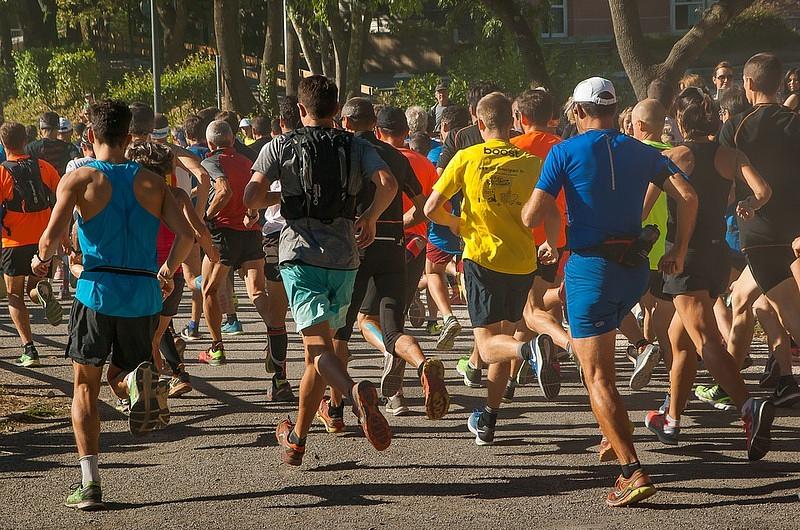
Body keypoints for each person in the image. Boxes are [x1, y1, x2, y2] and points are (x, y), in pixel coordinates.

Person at [524, 77, 700, 507]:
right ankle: (612, 434)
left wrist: (547, 214)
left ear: (580, 111)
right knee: (601, 367)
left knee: (596, 376)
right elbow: (689, 197)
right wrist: (678, 247)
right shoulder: (643, 150)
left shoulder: (563, 152)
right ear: (615, 110)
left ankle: (631, 471)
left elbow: (531, 214)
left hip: (591, 270)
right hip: (636, 271)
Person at [33, 100, 194, 510]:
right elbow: (187, 236)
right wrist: (169, 269)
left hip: (96, 291)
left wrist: (41, 262)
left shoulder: (79, 178)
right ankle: (134, 384)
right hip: (141, 293)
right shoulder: (153, 182)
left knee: (85, 384)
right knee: (124, 372)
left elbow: (51, 239)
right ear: (128, 137)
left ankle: (89, 482)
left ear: (90, 134)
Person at [244, 75, 397, 466]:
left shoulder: (280, 144)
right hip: (346, 257)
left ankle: (354, 395)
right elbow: (388, 183)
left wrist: (275, 198)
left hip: (299, 255)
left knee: (317, 350)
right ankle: (297, 439)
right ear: (336, 112)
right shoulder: (356, 145)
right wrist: (371, 216)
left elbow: (252, 194)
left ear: (300, 109)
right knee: (318, 352)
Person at [644, 88, 775, 455]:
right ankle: (672, 419)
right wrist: (746, 205)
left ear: (681, 122)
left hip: (684, 259)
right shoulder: (732, 156)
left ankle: (749, 408)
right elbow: (763, 191)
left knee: (704, 340)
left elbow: (642, 208)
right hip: (718, 258)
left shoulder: (673, 157)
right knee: (680, 341)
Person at [426, 92, 561, 447]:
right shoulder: (531, 162)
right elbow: (551, 211)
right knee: (504, 335)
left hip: (482, 259)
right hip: (521, 261)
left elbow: (430, 208)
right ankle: (488, 417)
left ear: (479, 122)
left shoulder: (466, 157)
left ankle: (529, 352)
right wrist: (552, 242)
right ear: (512, 122)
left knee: (487, 347)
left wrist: (454, 223)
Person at [324, 98, 447, 427]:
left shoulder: (341, 153)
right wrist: (399, 223)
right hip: (394, 247)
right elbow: (423, 208)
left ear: (346, 124)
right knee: (392, 329)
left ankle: (335, 410)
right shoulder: (395, 156)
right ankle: (423, 366)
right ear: (374, 124)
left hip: (355, 248)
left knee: (341, 332)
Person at [718, 53, 800, 408]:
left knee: (790, 312)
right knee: (742, 299)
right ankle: (760, 380)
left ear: (748, 84)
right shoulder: (795, 122)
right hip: (791, 226)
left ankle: (731, 383)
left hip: (758, 229)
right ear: (781, 83)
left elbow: (724, 180)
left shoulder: (735, 125)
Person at [364, 104, 449, 417]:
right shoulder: (423, 163)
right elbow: (427, 207)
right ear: (407, 131)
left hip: (378, 242)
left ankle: (398, 384)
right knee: (394, 316)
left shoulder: (371, 157)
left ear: (378, 130)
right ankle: (403, 385)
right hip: (415, 245)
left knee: (367, 321)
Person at [124, 141, 219, 399]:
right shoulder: (177, 195)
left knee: (143, 339)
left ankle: (149, 393)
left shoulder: (130, 198)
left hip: (140, 274)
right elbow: (198, 230)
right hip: (171, 276)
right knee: (155, 337)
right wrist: (213, 255)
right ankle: (166, 381)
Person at [198, 120, 271, 367]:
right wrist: (251, 212)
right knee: (257, 291)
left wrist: (205, 217)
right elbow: (257, 192)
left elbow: (224, 191)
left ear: (209, 143)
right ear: (233, 140)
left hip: (224, 233)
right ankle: (275, 338)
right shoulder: (247, 161)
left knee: (209, 289)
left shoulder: (211, 162)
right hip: (250, 232)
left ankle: (216, 347)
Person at [250, 95, 302, 402]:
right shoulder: (324, 144)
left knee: (277, 314)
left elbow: (255, 195)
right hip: (315, 235)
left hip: (276, 236)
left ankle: (281, 378)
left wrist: (273, 202)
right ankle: (327, 391)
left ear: (279, 123)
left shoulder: (275, 148)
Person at [0, 122, 63, 367]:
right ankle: (41, 292)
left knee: (15, 295)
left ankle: (29, 349)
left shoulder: (3, 172)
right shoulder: (44, 167)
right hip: (43, 240)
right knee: (32, 288)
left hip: (13, 240)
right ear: (26, 140)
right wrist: (63, 238)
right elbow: (62, 200)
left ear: (4, 144)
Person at [630, 99, 674, 398]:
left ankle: (644, 352)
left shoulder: (635, 155)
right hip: (670, 246)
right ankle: (671, 374)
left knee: (638, 304)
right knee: (660, 312)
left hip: (642, 244)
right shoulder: (674, 157)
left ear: (641, 126)